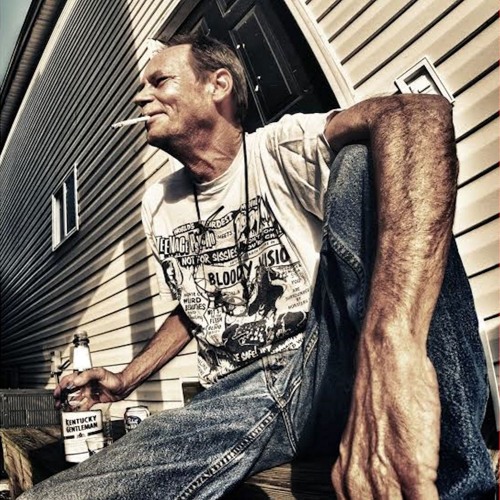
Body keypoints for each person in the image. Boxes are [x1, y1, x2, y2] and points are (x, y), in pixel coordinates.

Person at [22, 33, 494, 499]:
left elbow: (416, 113)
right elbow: (194, 308)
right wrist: (126, 380)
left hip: (320, 368)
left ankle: (455, 485)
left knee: (367, 161)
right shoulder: (158, 203)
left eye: (159, 81)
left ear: (218, 85)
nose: (141, 96)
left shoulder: (279, 147)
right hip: (228, 400)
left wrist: (390, 349)